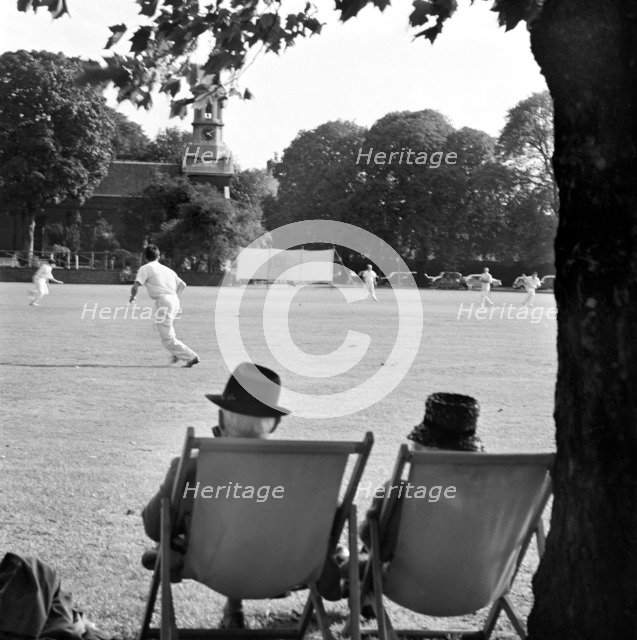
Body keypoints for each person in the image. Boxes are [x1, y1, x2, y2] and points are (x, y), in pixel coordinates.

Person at [141, 363, 290, 630]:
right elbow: (330, 521)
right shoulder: (300, 471)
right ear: (275, 424)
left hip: (208, 564)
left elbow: (154, 526)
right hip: (286, 567)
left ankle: (231, 608)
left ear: (221, 421)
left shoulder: (190, 468)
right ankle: (233, 608)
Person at [129, 245, 199, 367]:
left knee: (167, 339)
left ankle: (191, 357)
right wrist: (175, 297)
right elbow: (183, 284)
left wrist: (133, 297)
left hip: (164, 301)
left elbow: (136, 286)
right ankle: (177, 352)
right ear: (159, 256)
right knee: (162, 329)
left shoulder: (146, 268)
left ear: (145, 257)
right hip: (174, 300)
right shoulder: (168, 270)